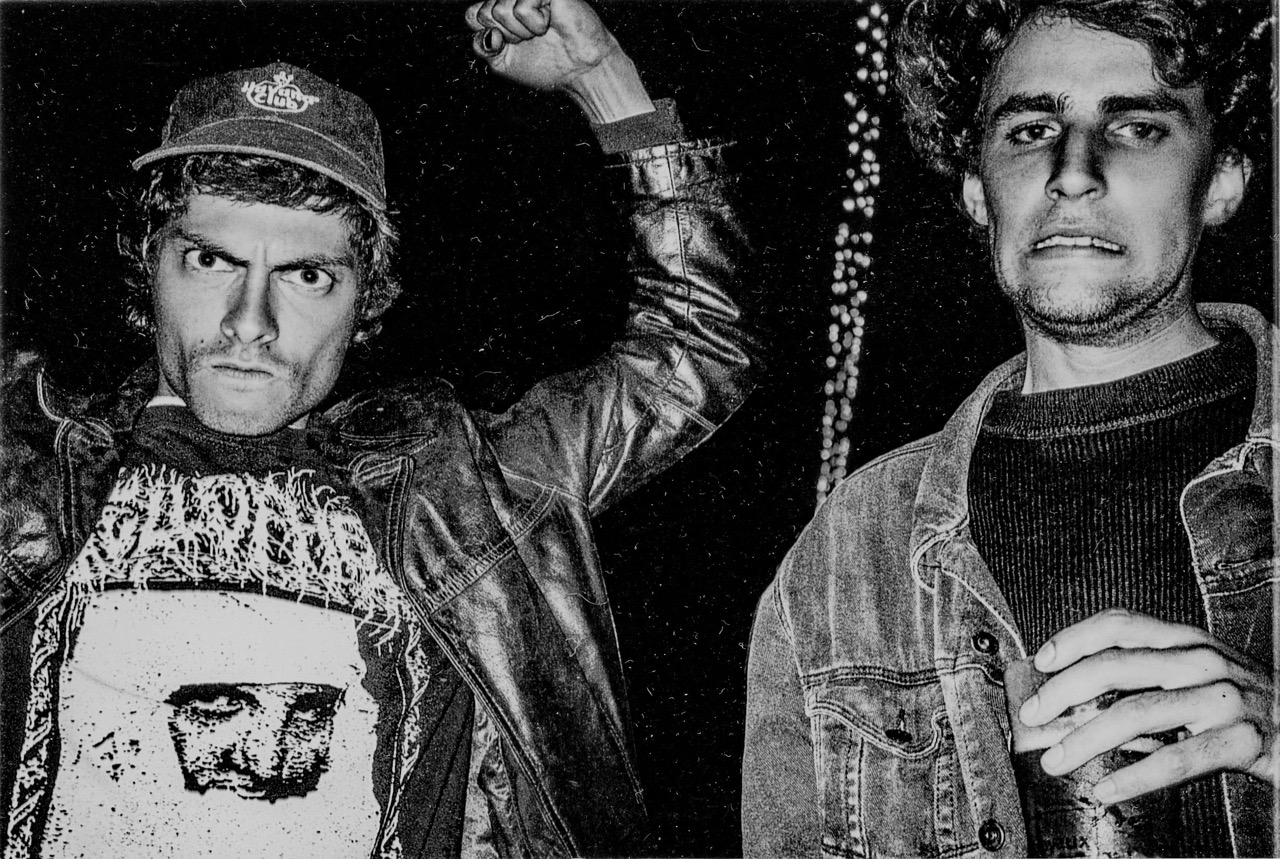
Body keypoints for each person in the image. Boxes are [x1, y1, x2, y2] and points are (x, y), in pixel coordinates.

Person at [0, 1, 759, 856]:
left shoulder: (467, 486)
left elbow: (694, 355)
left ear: (365, 300)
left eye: (307, 275)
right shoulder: (23, 464)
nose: (250, 321)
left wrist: (604, 81)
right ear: (149, 265)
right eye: (212, 259)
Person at [741, 0, 1273, 856]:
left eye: (1137, 127)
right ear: (976, 190)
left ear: (1222, 181)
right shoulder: (849, 551)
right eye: (1031, 130)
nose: (1073, 172)